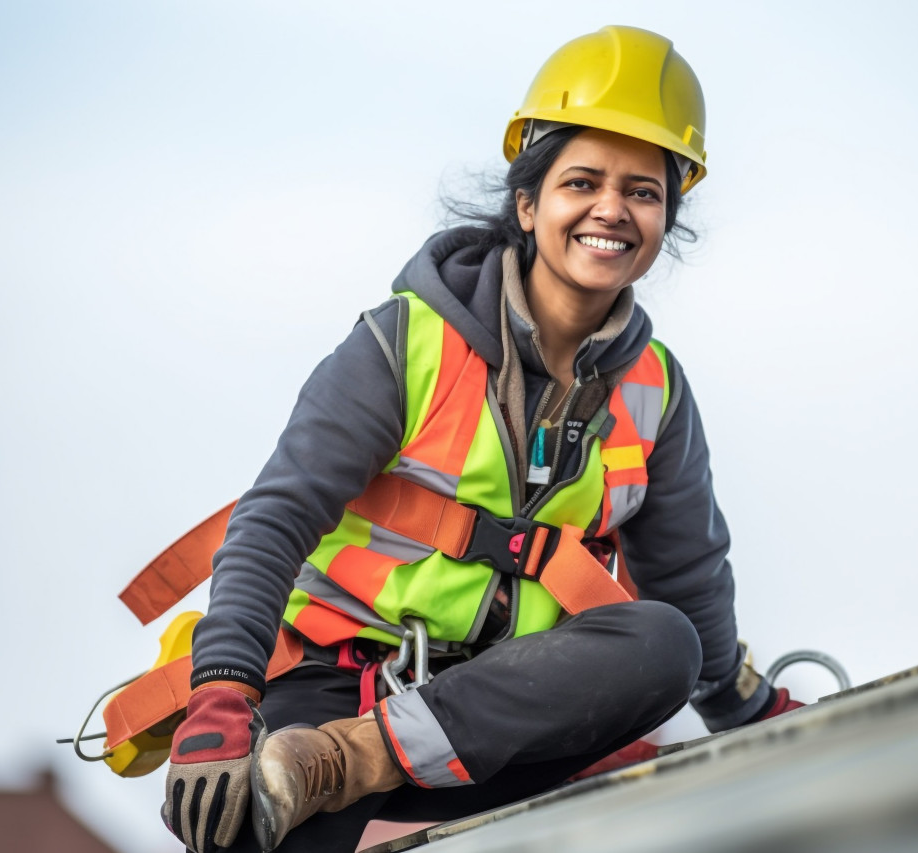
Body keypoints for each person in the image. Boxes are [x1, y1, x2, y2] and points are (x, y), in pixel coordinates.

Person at [160, 25, 802, 853]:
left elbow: (689, 585)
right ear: (528, 204)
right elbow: (274, 520)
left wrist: (748, 712)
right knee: (239, 831)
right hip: (334, 685)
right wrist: (221, 696)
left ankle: (348, 762)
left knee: (661, 641)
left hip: (502, 721)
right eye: (583, 181)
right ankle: (326, 758)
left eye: (643, 191)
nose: (612, 209)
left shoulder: (657, 392)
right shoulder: (404, 343)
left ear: (666, 219)